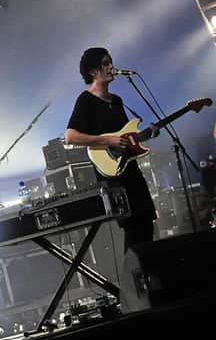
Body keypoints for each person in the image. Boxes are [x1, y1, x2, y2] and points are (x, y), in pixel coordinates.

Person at [65, 47, 157, 250]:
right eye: (105, 63)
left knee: (146, 223)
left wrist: (145, 135)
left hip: (131, 171)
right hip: (113, 175)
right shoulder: (86, 100)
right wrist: (108, 141)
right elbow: (70, 136)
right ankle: (132, 278)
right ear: (92, 71)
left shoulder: (117, 101)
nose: (111, 67)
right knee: (133, 230)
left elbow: (126, 138)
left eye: (110, 62)